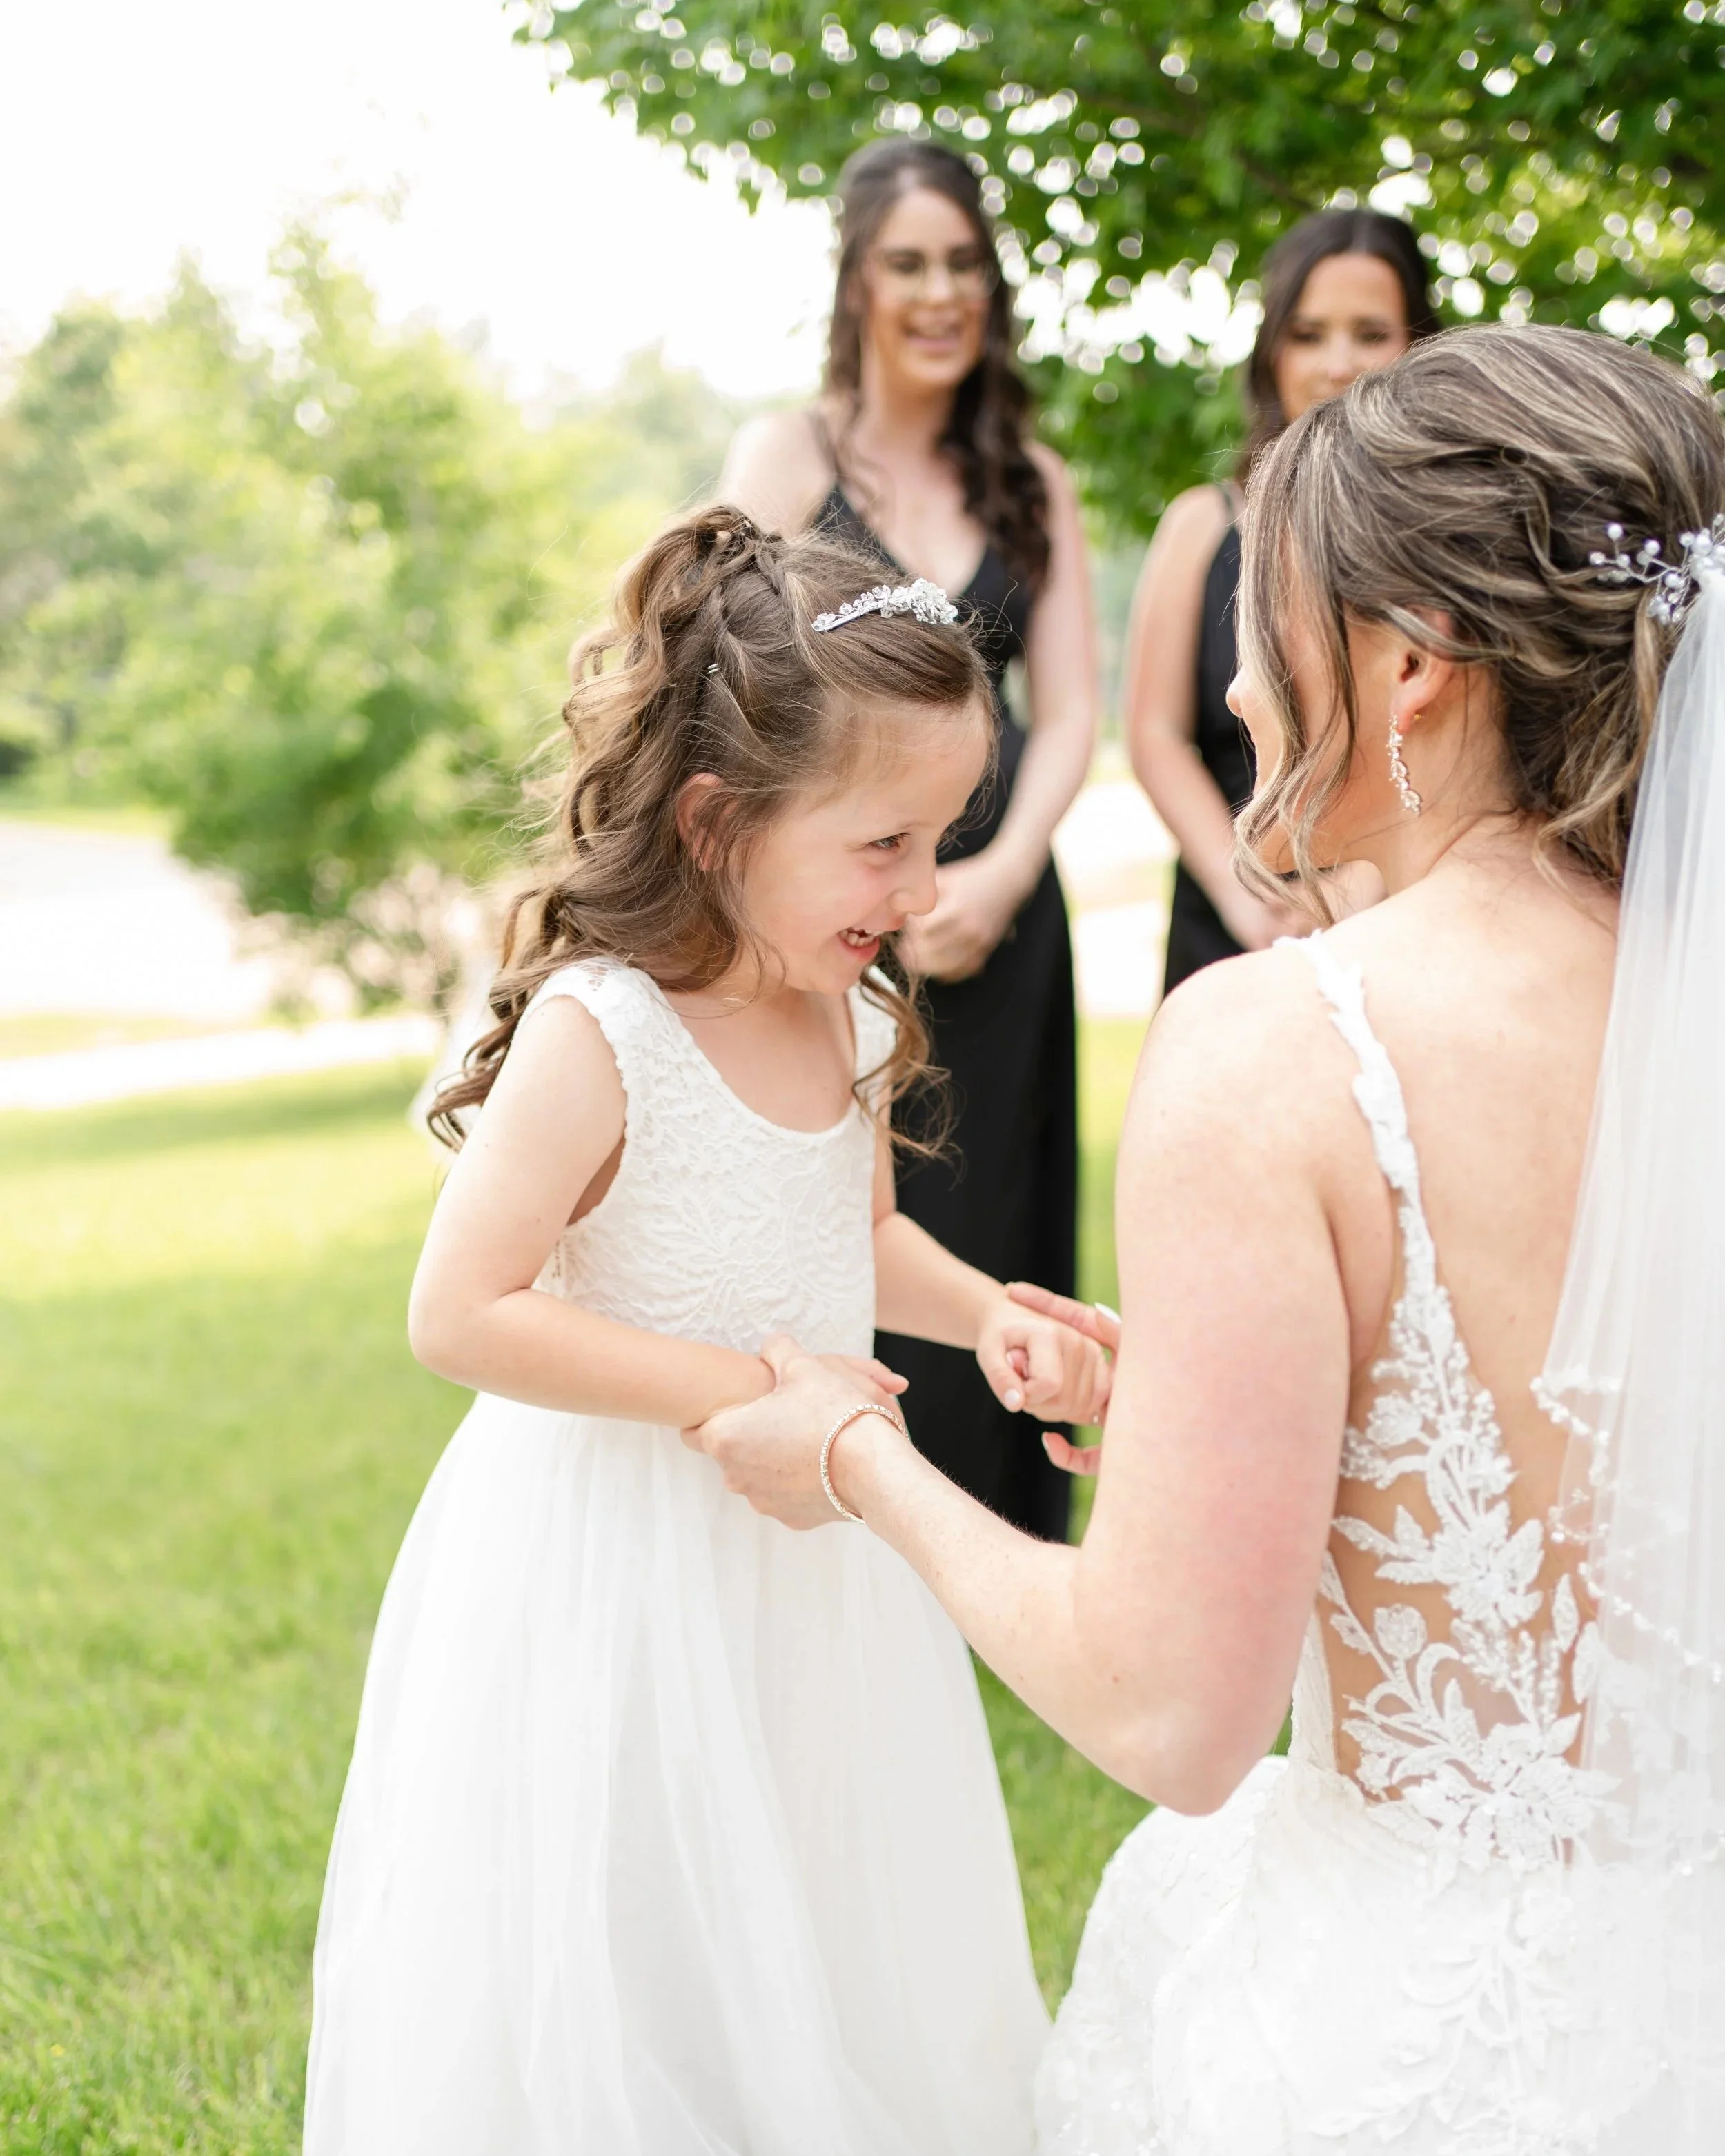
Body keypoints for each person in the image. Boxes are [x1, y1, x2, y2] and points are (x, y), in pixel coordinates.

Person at [688, 325, 1725, 2150]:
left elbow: (1171, 1712)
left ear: (1411, 666)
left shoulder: (1279, 1046)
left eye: (1274, 606)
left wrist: (856, 1454)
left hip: (1431, 2040)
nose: (1238, 678)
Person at [302, 510, 1111, 2153]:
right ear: (721, 819)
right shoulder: (605, 1028)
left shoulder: (851, 1005)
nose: (925, 885)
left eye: (942, 836)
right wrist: (759, 1392)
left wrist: (994, 1319)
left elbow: (855, 1234)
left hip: (817, 1553)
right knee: (634, 1922)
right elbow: (461, 1310)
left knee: (818, 1889)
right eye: (883, 841)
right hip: (610, 1563)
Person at [718, 138, 1098, 1542]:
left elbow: (1067, 716)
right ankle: (835, 1494)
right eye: (907, 263)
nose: (940, 292)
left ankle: (998, 1528)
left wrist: (996, 875)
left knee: (993, 1189)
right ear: (856, 282)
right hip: (825, 907)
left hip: (999, 908)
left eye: (963, 264)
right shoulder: (782, 456)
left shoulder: (1031, 482)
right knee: (840, 1198)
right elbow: (721, 677)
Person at [1129, 208, 1439, 992]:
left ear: (1417, 343)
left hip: (1410, 914)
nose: (1338, 363)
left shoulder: (1450, 533)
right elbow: (1153, 733)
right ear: (1272, 352)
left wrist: (1361, 891)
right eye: (1308, 334)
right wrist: (1247, 892)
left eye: (1369, 333)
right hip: (1233, 915)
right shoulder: (1203, 524)